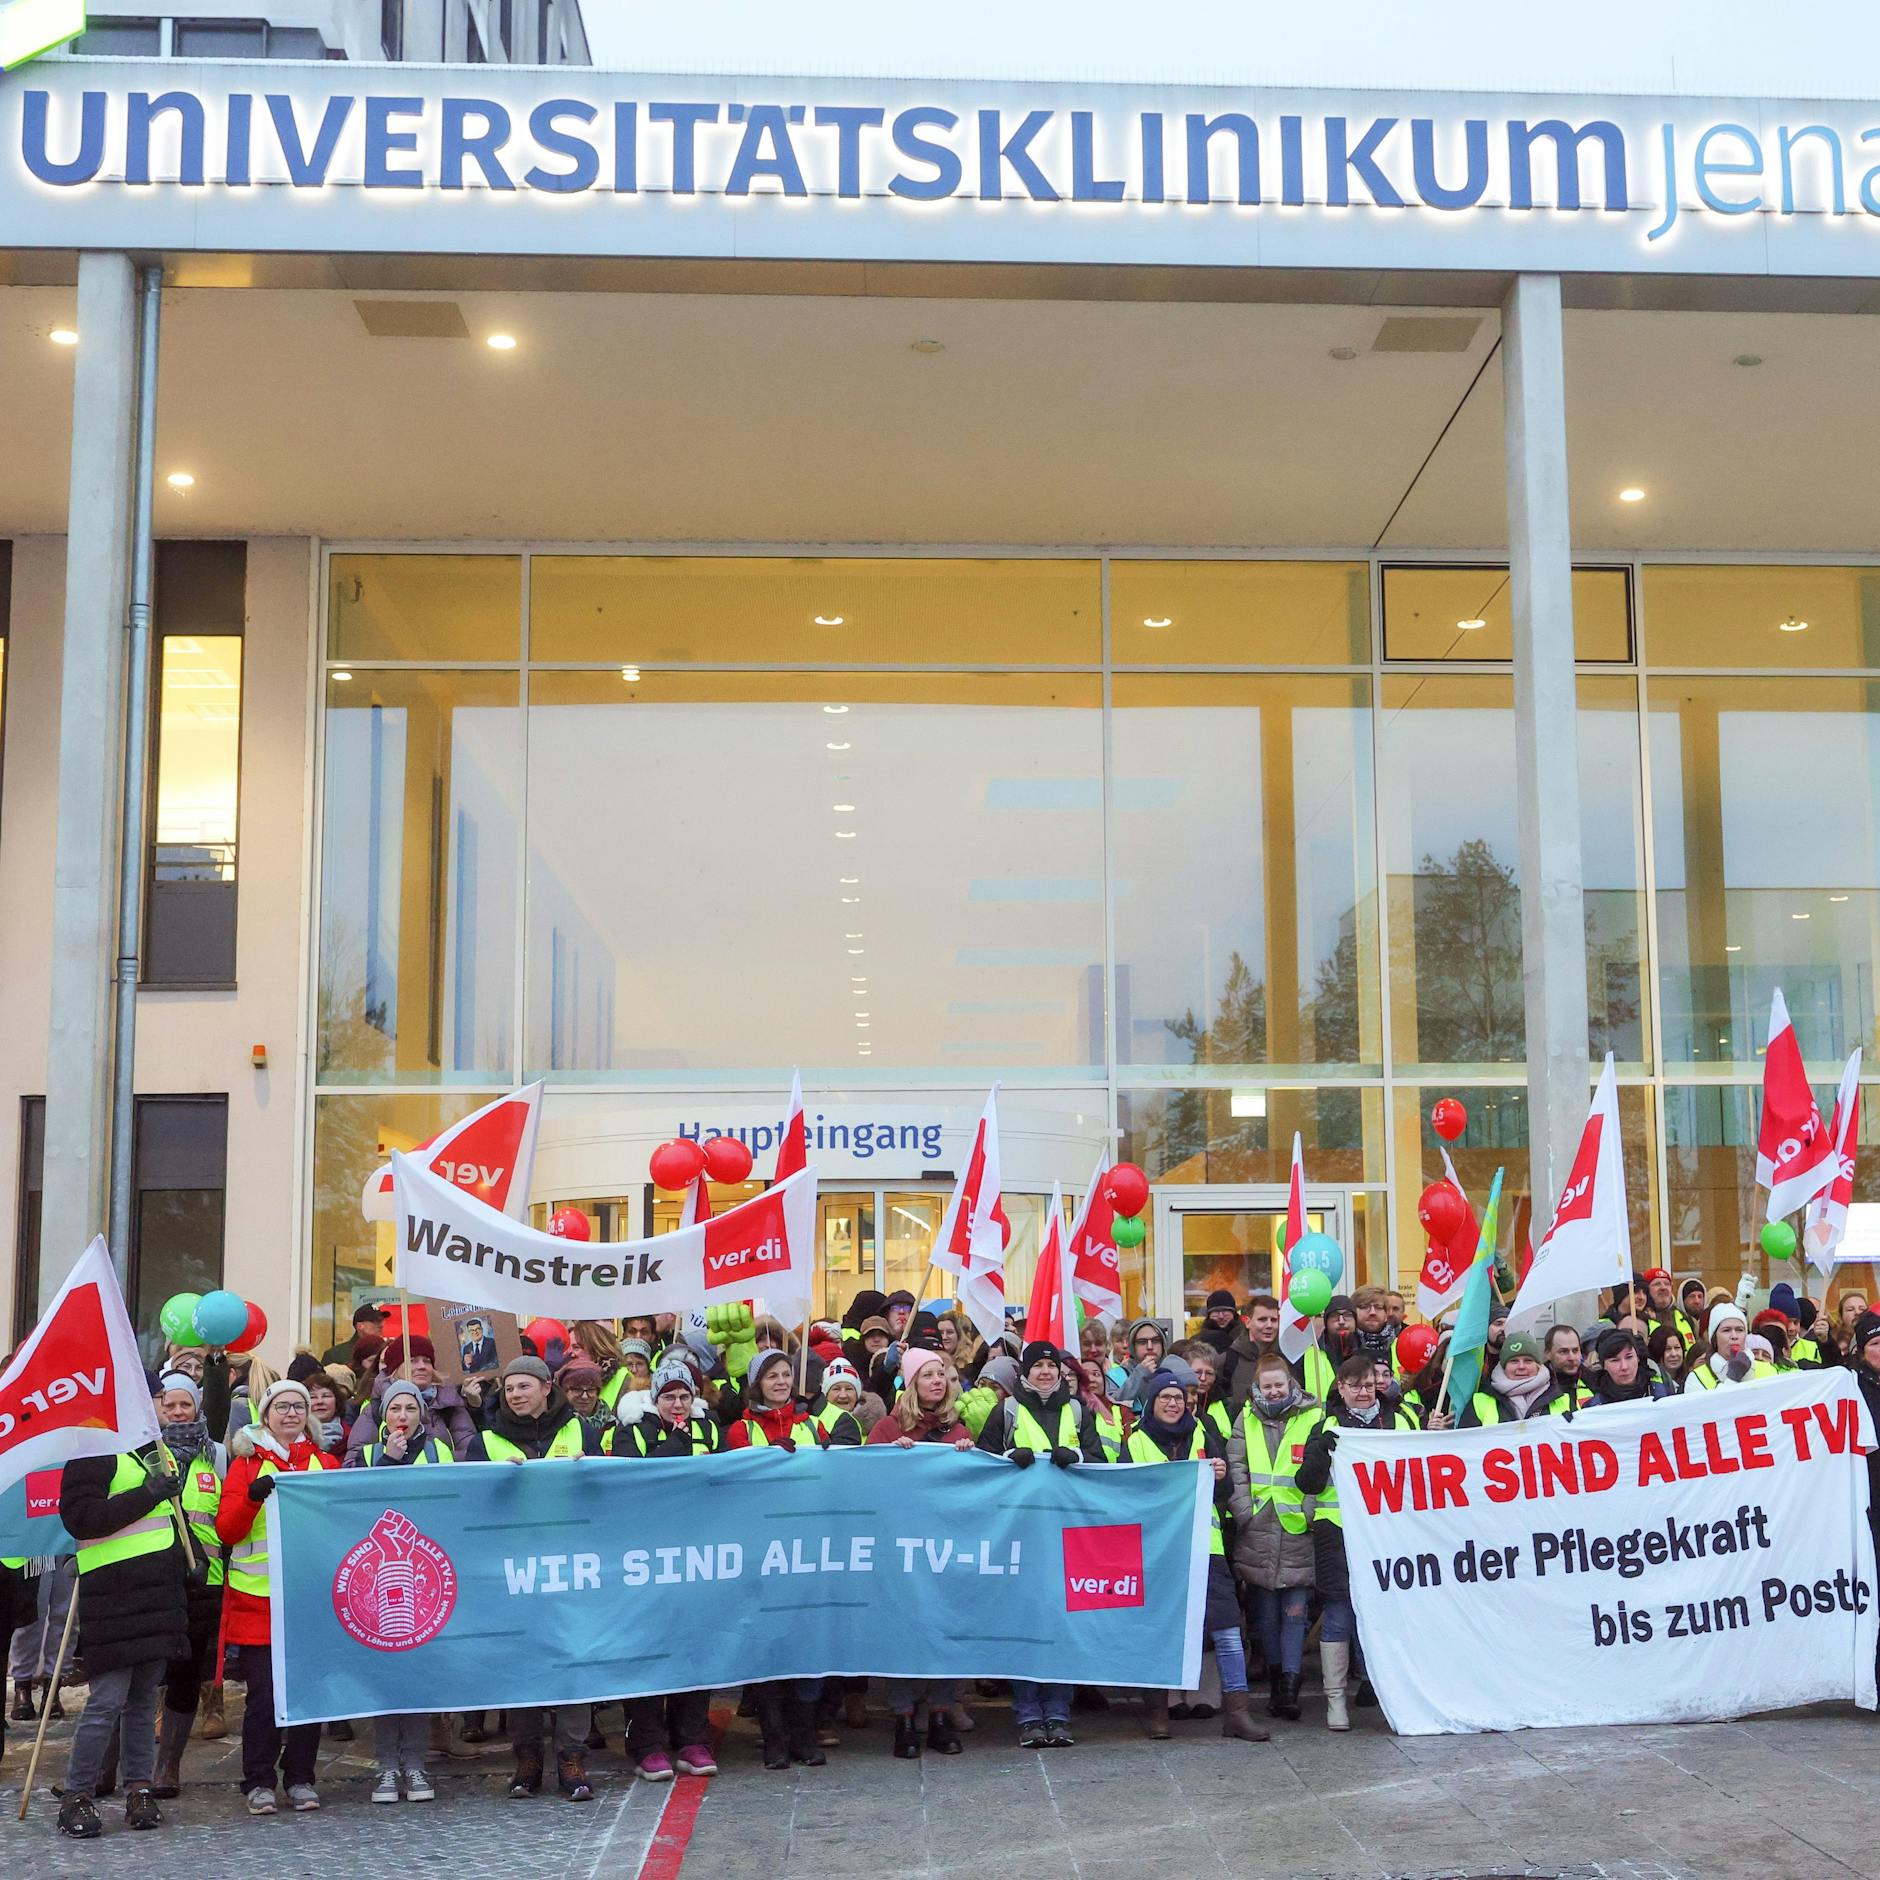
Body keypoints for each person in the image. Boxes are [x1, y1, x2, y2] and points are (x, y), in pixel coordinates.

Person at [468, 1356, 599, 1798]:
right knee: (520, 1662)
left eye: (524, 1386)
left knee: (573, 1659)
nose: (515, 1394)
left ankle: (571, 1755)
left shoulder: (583, 1431)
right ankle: (527, 1755)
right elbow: (467, 1507)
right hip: (512, 1570)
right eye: (508, 1389)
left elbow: (613, 1498)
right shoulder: (483, 1441)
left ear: (547, 1387)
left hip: (571, 1567)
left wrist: (591, 1477)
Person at [53, 1428, 190, 1839]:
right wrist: (149, 1493)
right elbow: (81, 1518)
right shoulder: (92, 1452)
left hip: (156, 1597)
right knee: (107, 1702)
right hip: (114, 1600)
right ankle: (77, 1795)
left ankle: (138, 1788)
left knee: (143, 1702)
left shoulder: (150, 1449)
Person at [216, 1378, 338, 1814]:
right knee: (264, 1696)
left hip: (311, 1599)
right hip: (258, 1599)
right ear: (265, 1415)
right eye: (282, 1406)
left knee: (308, 1693)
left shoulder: (325, 1463)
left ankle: (301, 1778)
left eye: (299, 1407)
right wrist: (250, 1499)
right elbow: (227, 1530)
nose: (291, 1413)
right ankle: (259, 1780)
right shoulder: (245, 1465)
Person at [1126, 1369, 1267, 1744]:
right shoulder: (1137, 1441)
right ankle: (1157, 1711)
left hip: (1208, 1547)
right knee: (1160, 1633)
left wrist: (1220, 1476)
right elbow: (1126, 1494)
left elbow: (1227, 1492)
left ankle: (1237, 1713)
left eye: (1177, 1399)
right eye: (1164, 1399)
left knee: (1227, 1633)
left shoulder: (1204, 1434)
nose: (1173, 1404)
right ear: (1151, 1404)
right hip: (1159, 1551)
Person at [978, 1341, 1104, 1745]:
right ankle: (1028, 1714)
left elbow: (1101, 1462)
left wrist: (1079, 1458)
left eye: (1052, 1365)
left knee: (1061, 1623)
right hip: (1021, 1530)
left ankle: (1059, 1712)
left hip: (1068, 1531)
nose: (1046, 1372)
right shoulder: (1008, 1410)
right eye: (1039, 1366)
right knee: (1025, 1622)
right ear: (1026, 1373)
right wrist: (1008, 1458)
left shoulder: (1078, 1410)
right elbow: (983, 1463)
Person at [1295, 1354, 1416, 1730]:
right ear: (1340, 1389)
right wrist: (1318, 1453)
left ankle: (1395, 1693)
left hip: (1391, 1530)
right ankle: (1335, 1701)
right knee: (1339, 1612)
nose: (1363, 1393)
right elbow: (1308, 1484)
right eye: (1354, 1386)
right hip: (1339, 1531)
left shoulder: (1403, 1418)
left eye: (1369, 1385)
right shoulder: (1324, 1422)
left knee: (1393, 1611)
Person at [615, 1360, 720, 1782]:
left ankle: (692, 1738)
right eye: (669, 1396)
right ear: (654, 1399)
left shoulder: (708, 1428)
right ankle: (646, 1742)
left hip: (695, 1548)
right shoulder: (631, 1431)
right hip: (644, 1551)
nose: (678, 1404)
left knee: (694, 1640)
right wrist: (676, 1444)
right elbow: (640, 1481)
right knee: (647, 1643)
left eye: (684, 1396)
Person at [863, 1347, 971, 1757]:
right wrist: (891, 1459)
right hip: (900, 1551)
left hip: (943, 1550)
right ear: (911, 1383)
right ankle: (904, 1718)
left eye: (941, 1374)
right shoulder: (889, 1429)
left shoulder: (957, 1432)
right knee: (903, 1633)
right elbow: (867, 1479)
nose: (937, 1381)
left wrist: (967, 1458)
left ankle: (941, 1716)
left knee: (944, 1629)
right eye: (928, 1374)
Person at [1228, 1351, 1326, 1720]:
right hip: (1257, 1527)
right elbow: (1236, 1464)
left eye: (1278, 1385)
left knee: (1295, 1614)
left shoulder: (1314, 1417)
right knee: (1265, 1617)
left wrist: (1311, 1508)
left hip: (1298, 1526)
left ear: (1291, 1385)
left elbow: (1323, 1468)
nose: (1272, 1391)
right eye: (1266, 1386)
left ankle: (1289, 1685)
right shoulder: (1246, 1417)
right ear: (1257, 1387)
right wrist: (1242, 1509)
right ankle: (1274, 1678)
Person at [148, 1372, 226, 1799]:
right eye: (170, 1405)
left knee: (185, 1674)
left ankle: (167, 1767)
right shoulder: (146, 1453)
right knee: (142, 1674)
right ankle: (115, 1765)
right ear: (158, 1407)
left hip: (205, 1582)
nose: (178, 1412)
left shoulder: (214, 1455)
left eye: (186, 1405)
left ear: (198, 1406)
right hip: (155, 1579)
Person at [344, 1336, 476, 1463]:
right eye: (412, 1360)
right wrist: (389, 1459)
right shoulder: (375, 1408)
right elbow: (354, 1462)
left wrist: (437, 1460)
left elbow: (471, 1453)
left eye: (427, 1361)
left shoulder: (450, 1403)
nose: (422, 1366)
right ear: (394, 1369)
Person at [726, 1349, 819, 1449]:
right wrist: (771, 1455)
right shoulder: (741, 1430)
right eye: (772, 1376)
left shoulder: (814, 1425)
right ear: (757, 1384)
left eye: (787, 1375)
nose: (781, 1381)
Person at [1685, 1302, 1779, 1390]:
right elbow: (1712, 1407)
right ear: (1714, 1338)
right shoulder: (1696, 1378)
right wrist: (1733, 1379)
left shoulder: (1769, 1370)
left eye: (1739, 1330)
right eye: (1726, 1330)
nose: (1734, 1336)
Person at [1220, 1294, 1282, 1409]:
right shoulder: (1228, 1360)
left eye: (1274, 1320)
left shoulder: (1288, 1357)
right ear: (1247, 1322)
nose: (1269, 1325)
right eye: (1262, 1320)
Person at [1587, 1327, 1671, 1405]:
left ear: (1638, 1357)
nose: (1624, 1367)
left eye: (1629, 1357)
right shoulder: (1595, 1406)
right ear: (1603, 1365)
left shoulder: (1661, 1393)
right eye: (1615, 1360)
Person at [1113, 1318, 1168, 1409]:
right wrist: (1139, 1375)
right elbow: (1112, 1407)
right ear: (1133, 1346)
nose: (1150, 1347)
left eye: (1155, 1341)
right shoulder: (1115, 1375)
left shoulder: (1173, 1372)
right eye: (1142, 1342)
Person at [814, 1357, 869, 1447]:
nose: (843, 1395)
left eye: (849, 1389)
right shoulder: (814, 1419)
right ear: (826, 1394)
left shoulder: (874, 1421)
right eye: (836, 1389)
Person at [1542, 1325, 1593, 1412]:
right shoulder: (1537, 1389)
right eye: (1563, 1351)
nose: (1571, 1357)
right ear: (1548, 1354)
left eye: (1575, 1350)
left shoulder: (1595, 1383)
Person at [322, 1301, 387, 1366]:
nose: (381, 1325)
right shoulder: (335, 1355)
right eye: (376, 1321)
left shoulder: (386, 1351)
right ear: (360, 1326)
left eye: (381, 1321)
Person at [1351, 1286, 1395, 1366]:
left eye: (1378, 1307)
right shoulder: (1345, 1345)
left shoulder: (1400, 1346)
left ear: (1386, 1314)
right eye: (1364, 1306)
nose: (1372, 1312)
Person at [1646, 1322, 1690, 1393]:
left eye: (1677, 1348)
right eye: (1667, 1349)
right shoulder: (1649, 1384)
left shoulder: (1691, 1379)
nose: (1673, 1354)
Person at [1194, 1290, 1241, 1354]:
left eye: (1225, 1311)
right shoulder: (1197, 1341)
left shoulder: (1245, 1338)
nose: (1221, 1316)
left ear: (1233, 1313)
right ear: (1209, 1315)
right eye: (1216, 1311)